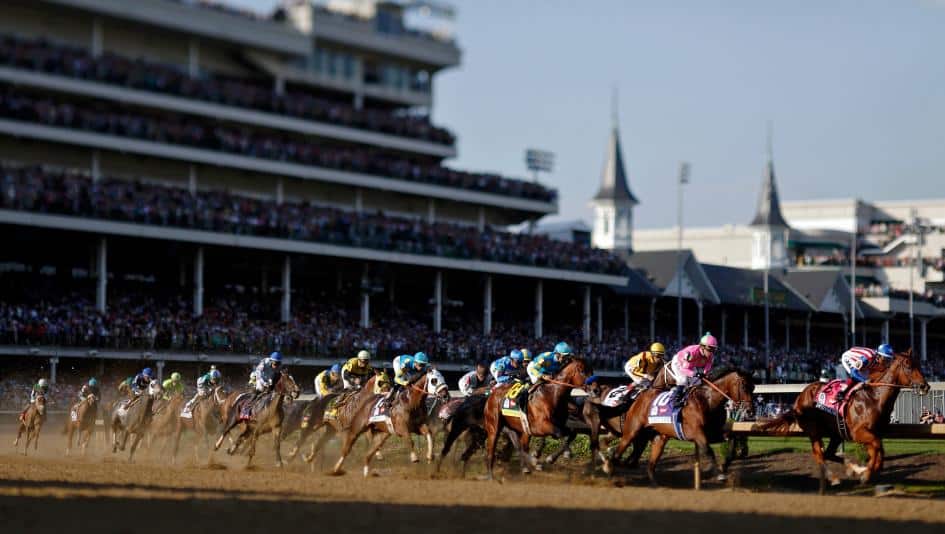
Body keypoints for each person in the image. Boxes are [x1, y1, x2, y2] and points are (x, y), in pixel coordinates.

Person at [668, 333, 718, 408]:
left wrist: (704, 373)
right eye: (709, 349)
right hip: (679, 363)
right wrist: (695, 374)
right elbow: (683, 369)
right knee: (683, 380)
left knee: (698, 382)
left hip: (691, 365)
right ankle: (676, 400)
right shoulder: (691, 353)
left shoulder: (710, 355)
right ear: (702, 347)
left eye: (713, 349)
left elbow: (709, 364)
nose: (711, 352)